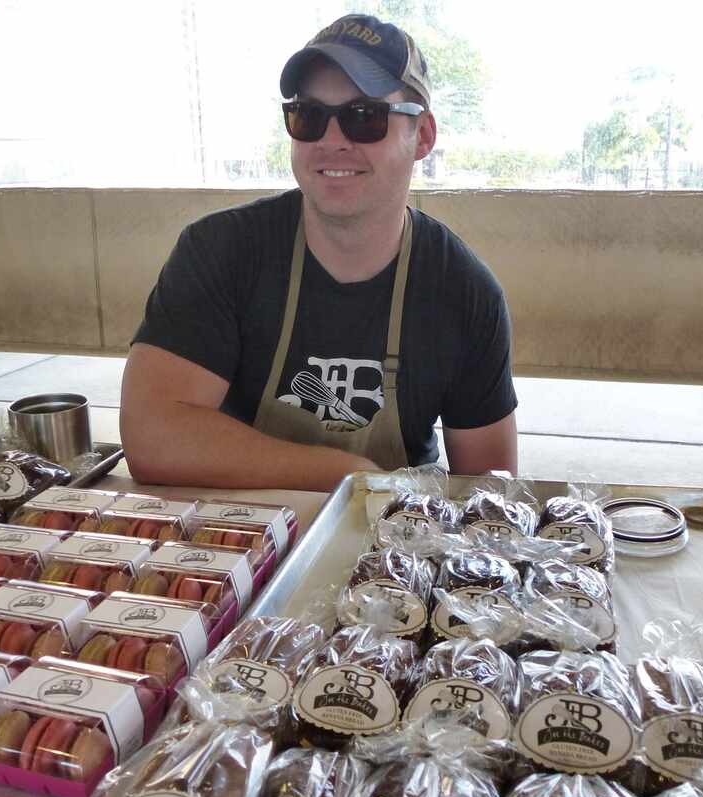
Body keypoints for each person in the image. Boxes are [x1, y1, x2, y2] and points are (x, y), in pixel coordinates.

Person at [120, 13, 518, 491]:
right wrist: (347, 476)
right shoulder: (220, 252)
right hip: (236, 536)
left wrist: (377, 501)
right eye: (308, 115)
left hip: (389, 541)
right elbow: (152, 435)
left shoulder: (465, 293)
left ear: (423, 137)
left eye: (364, 116)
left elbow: (492, 492)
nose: (331, 141)